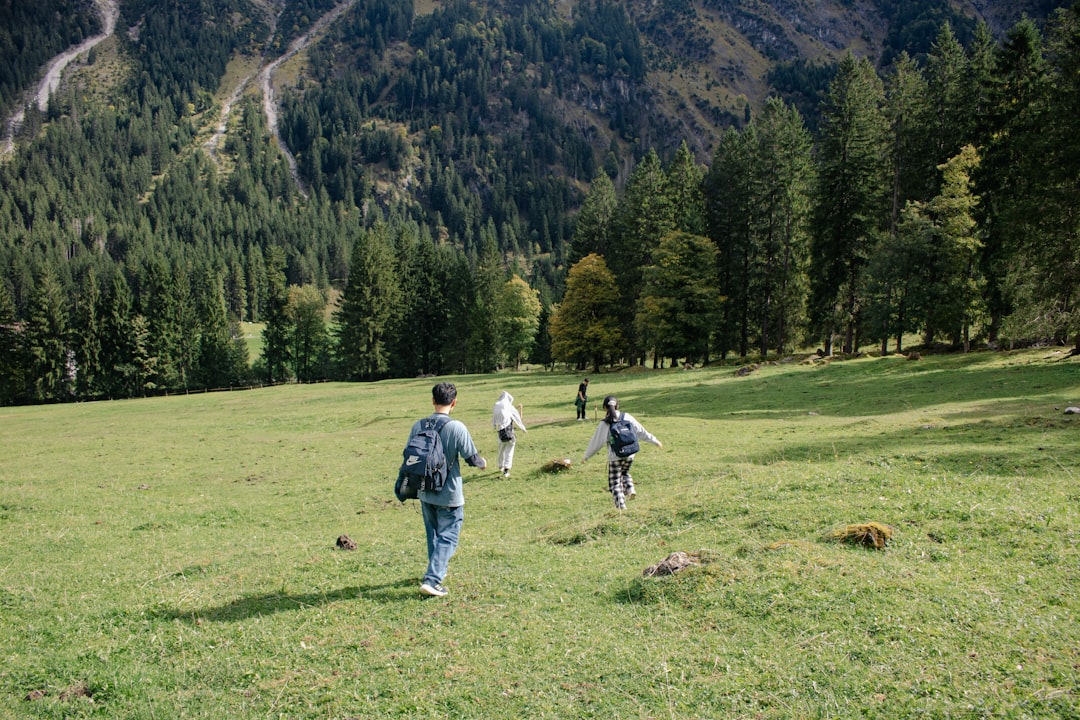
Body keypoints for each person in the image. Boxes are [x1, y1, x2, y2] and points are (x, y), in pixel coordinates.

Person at [403, 382, 486, 597]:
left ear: (433, 400)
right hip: (449, 493)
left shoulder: (417, 425)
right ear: (454, 402)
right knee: (448, 536)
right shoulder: (457, 427)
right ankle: (433, 579)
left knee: (433, 534)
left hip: (424, 491)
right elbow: (472, 458)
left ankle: (435, 570)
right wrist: (483, 463)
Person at [582, 395, 662, 510]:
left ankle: (621, 507)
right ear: (617, 405)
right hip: (630, 454)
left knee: (615, 483)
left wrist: (586, 456)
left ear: (605, 408)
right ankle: (630, 490)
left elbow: (596, 442)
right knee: (625, 473)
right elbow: (641, 431)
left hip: (615, 457)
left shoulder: (605, 423)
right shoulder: (627, 417)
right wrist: (655, 441)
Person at [492, 391, 526, 478]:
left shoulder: (497, 407)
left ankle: (500, 466)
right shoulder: (509, 408)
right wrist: (521, 408)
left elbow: (494, 421)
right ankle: (506, 471)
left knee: (501, 451)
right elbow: (519, 419)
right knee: (509, 452)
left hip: (500, 434)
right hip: (510, 434)